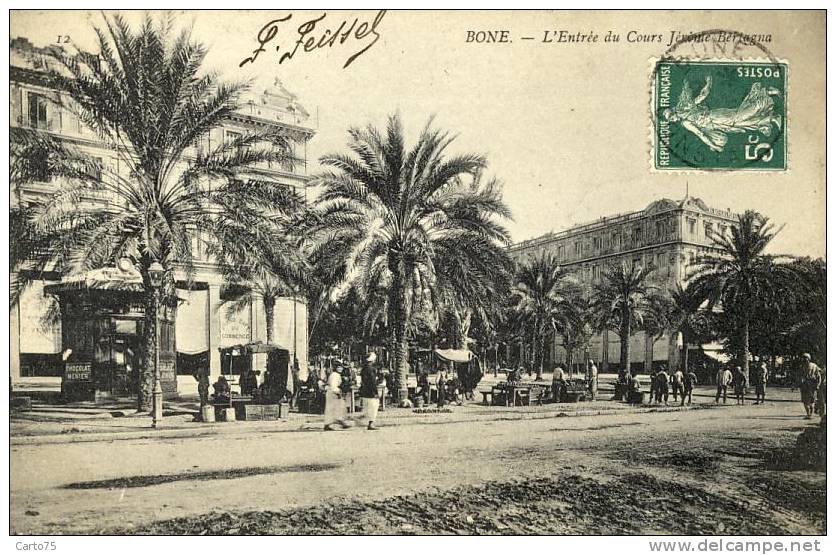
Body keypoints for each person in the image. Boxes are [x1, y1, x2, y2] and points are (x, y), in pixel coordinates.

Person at [323, 365, 351, 431]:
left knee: (336, 409)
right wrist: (338, 392)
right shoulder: (335, 375)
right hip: (333, 394)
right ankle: (338, 423)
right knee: (335, 409)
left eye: (341, 367)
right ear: (335, 368)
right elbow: (333, 386)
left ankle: (330, 424)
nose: (340, 369)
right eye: (338, 367)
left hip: (333, 393)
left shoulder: (336, 375)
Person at [359, 353, 382, 430]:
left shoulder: (363, 369)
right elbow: (372, 382)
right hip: (371, 392)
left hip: (364, 391)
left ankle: (361, 419)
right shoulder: (371, 369)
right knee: (373, 407)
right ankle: (371, 423)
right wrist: (375, 392)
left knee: (367, 407)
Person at [798, 353, 823, 419]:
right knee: (805, 401)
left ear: (809, 358)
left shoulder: (814, 366)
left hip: (812, 385)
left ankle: (810, 414)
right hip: (804, 385)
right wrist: (799, 383)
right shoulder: (801, 366)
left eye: (806, 358)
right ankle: (808, 413)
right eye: (803, 358)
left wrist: (818, 385)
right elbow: (799, 376)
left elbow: (819, 376)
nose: (804, 359)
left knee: (812, 400)